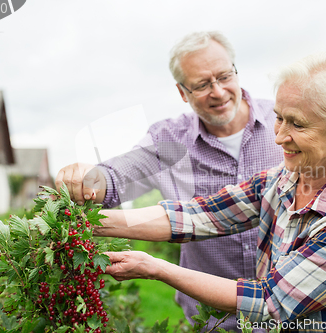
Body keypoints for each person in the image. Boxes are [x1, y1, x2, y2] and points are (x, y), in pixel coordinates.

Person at [94, 52, 326, 332]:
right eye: (278, 118)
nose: (279, 137)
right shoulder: (283, 181)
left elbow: (270, 301)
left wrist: (157, 268)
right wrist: (89, 221)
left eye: (298, 124)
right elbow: (200, 215)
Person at [55, 31, 283, 330]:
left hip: (292, 311)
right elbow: (116, 176)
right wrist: (86, 178)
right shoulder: (169, 141)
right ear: (182, 92)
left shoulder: (285, 122)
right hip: (212, 319)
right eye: (202, 84)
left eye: (224, 76)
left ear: (236, 70)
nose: (218, 91)